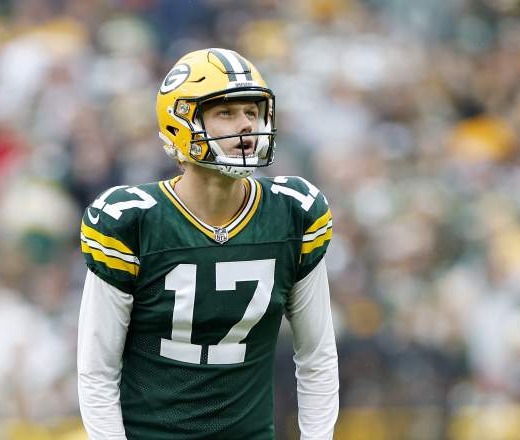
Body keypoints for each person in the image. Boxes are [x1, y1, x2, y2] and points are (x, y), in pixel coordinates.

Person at [77, 48, 339, 439]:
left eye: (252, 112)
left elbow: (317, 355)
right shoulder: (133, 220)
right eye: (226, 113)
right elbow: (98, 370)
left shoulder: (292, 213)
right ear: (181, 121)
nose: (247, 125)